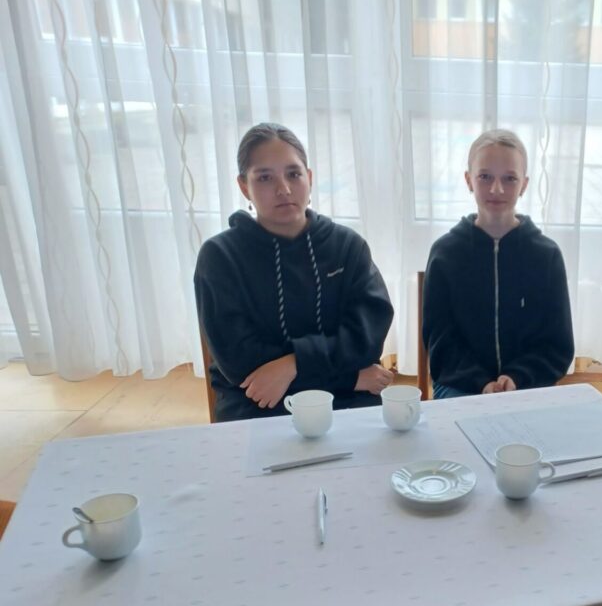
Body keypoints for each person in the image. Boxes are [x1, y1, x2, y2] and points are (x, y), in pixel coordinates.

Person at [195, 122, 394, 422]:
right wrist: (350, 378)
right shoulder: (220, 257)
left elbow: (366, 339)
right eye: (265, 177)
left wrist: (293, 364)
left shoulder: (347, 246)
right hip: (259, 403)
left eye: (293, 174)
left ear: (309, 178)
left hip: (347, 401)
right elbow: (242, 366)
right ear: (244, 186)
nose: (284, 189)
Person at [422, 129, 574, 398]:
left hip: (528, 384)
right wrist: (481, 382)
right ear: (468, 180)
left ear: (524, 184)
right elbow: (441, 344)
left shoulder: (547, 256)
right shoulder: (445, 254)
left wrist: (516, 377)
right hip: (461, 384)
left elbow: (557, 345)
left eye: (509, 178)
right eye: (485, 177)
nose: (496, 189)